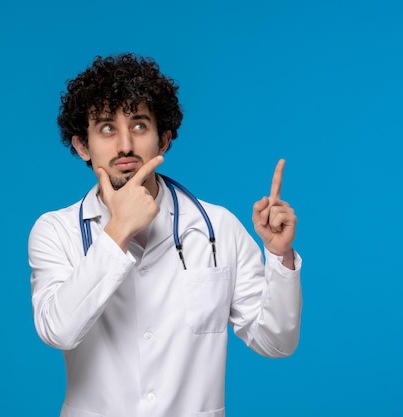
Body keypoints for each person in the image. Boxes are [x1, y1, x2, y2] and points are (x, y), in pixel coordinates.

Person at [28, 53, 302, 417]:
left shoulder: (218, 227)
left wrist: (280, 257)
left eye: (139, 125)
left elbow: (277, 342)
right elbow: (58, 331)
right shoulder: (55, 231)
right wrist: (118, 230)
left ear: (164, 140)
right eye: (107, 128)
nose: (125, 145)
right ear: (82, 146)